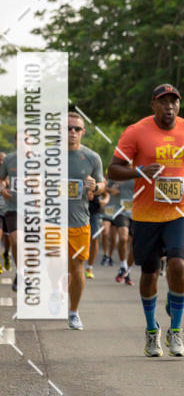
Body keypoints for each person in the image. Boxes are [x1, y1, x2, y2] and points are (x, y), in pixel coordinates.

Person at [108, 84, 184, 358]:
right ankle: (152, 330)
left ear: (179, 105)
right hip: (146, 214)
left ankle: (176, 330)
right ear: (153, 104)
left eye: (174, 101)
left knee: (178, 264)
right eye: (163, 102)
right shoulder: (136, 131)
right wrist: (139, 171)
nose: (169, 106)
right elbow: (113, 170)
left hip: (180, 211)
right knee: (150, 272)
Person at [67, 113, 106, 330]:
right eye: (68, 128)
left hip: (79, 222)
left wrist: (96, 187)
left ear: (82, 132)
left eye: (76, 129)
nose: (72, 132)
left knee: (77, 268)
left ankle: (73, 312)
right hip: (50, 223)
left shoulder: (92, 157)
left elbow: (102, 184)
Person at [0, 143, 17, 290]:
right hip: (3, 212)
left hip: (10, 210)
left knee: (9, 239)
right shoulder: (2, 175)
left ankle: (6, 254)